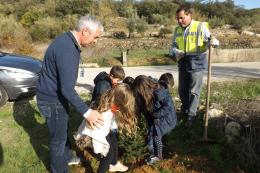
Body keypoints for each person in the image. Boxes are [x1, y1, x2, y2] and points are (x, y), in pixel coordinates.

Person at [36, 15, 104, 173]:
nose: (96, 41)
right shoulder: (67, 49)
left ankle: (67, 157)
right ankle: (60, 169)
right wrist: (88, 112)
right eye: (96, 37)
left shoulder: (66, 40)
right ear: (85, 31)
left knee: (63, 128)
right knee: (57, 141)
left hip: (55, 97)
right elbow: (66, 89)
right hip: (52, 101)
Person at [169, 4, 219, 127]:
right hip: (183, 62)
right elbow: (173, 46)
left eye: (182, 18)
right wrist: (175, 51)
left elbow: (212, 40)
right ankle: (185, 111)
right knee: (182, 90)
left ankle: (191, 116)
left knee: (194, 91)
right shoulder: (178, 30)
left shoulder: (200, 27)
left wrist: (214, 42)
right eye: (178, 19)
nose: (179, 21)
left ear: (189, 14)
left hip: (197, 62)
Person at [74, 84, 136, 173]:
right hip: (99, 135)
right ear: (120, 100)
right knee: (108, 156)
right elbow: (95, 132)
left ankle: (113, 165)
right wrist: (99, 147)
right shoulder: (103, 112)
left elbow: (112, 114)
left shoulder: (110, 100)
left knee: (114, 145)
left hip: (105, 130)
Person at [132, 75, 177, 165]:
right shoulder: (144, 93)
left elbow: (168, 107)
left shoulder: (160, 92)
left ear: (144, 89)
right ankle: (152, 153)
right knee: (151, 135)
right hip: (154, 119)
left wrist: (156, 114)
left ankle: (158, 156)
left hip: (164, 120)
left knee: (156, 136)